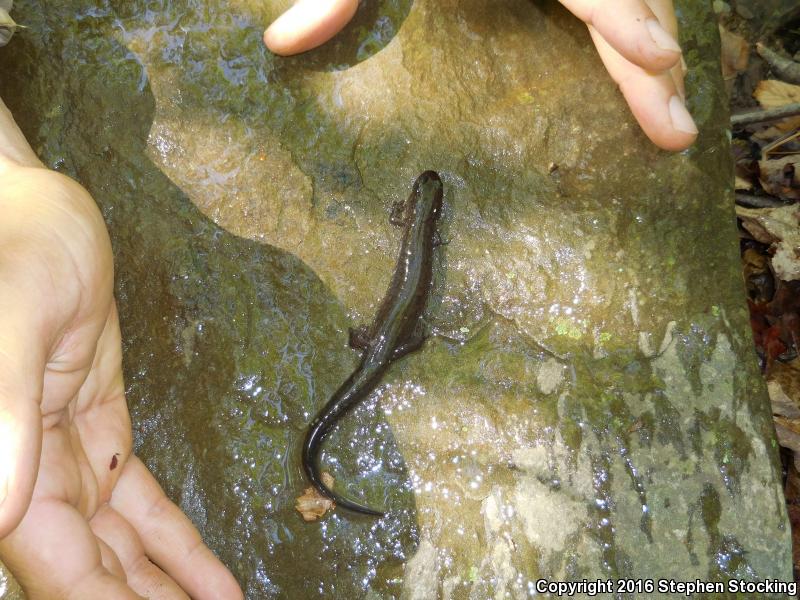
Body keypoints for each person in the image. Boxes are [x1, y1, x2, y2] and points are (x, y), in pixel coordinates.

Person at [0, 1, 695, 598]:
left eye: (422, 205)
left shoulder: (418, 220)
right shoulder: (426, 224)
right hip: (391, 343)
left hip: (385, 344)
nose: (420, 209)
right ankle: (322, 453)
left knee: (381, 344)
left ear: (422, 209)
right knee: (389, 337)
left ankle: (327, 449)